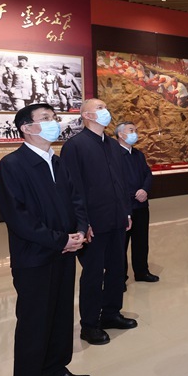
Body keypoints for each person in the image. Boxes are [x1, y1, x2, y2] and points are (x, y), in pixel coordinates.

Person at [0, 103, 91, 376]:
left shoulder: (57, 162)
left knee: (61, 316)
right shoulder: (12, 166)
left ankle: (54, 370)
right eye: (45, 119)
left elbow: (76, 199)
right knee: (34, 323)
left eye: (54, 118)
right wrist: (59, 240)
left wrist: (79, 230)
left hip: (64, 252)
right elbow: (19, 217)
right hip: (34, 257)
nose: (53, 123)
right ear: (26, 128)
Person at [60, 98, 136, 345]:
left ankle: (111, 313)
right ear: (87, 115)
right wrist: (83, 224)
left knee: (117, 269)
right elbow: (73, 189)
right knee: (93, 274)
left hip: (116, 218)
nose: (106, 111)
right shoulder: (75, 146)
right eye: (100, 108)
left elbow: (121, 182)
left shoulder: (112, 145)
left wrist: (126, 212)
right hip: (93, 223)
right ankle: (90, 324)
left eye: (105, 107)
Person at [116, 121, 159, 284]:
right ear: (121, 134)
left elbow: (148, 174)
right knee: (121, 244)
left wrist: (145, 190)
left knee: (141, 241)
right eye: (131, 130)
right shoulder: (114, 155)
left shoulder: (138, 154)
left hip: (141, 205)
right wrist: (134, 193)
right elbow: (115, 181)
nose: (135, 133)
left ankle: (141, 272)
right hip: (123, 207)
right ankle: (120, 277)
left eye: (135, 130)